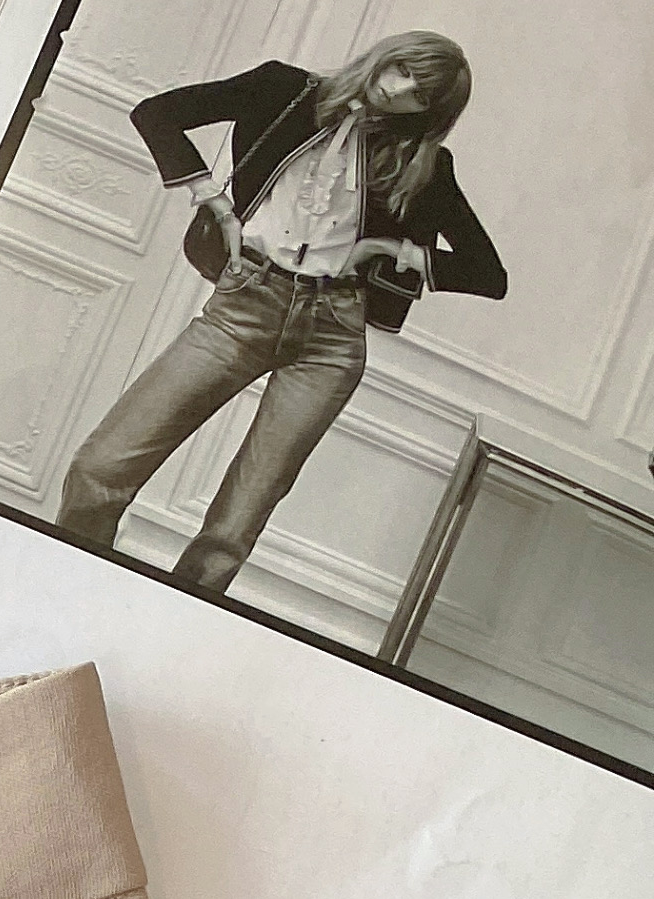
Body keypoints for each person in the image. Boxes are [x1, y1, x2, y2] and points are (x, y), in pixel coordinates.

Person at [57, 35, 507, 594]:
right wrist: (211, 197)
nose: (397, 90)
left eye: (419, 95)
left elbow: (489, 275)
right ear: (385, 56)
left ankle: (178, 608)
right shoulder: (282, 89)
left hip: (332, 338)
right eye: (402, 70)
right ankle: (68, 583)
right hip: (244, 307)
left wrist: (388, 250)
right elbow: (157, 113)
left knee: (236, 526)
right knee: (101, 467)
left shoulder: (424, 165)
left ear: (430, 113)